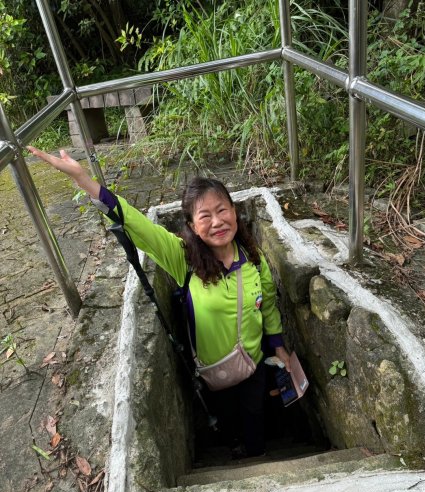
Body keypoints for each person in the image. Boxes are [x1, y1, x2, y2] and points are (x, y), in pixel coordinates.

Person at [27, 146, 291, 458]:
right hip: (214, 373)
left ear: (234, 211)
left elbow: (269, 305)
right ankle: (234, 447)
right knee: (227, 419)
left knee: (255, 416)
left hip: (254, 364)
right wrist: (84, 179)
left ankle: (257, 455)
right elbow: (139, 226)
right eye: (205, 215)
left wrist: (279, 347)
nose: (217, 221)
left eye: (223, 210)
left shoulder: (252, 259)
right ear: (192, 226)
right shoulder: (184, 259)